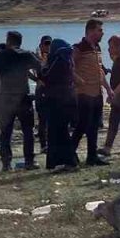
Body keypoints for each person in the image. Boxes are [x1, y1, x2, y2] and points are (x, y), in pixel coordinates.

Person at [0, 31, 42, 171]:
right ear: (20, 42)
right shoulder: (26, 55)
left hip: (6, 98)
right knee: (27, 131)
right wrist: (40, 84)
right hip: (23, 96)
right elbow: (41, 68)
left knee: (5, 132)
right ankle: (29, 161)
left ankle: (6, 163)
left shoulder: (0, 55)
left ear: (9, 41)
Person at [72, 19, 110, 167]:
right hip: (84, 93)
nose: (102, 33)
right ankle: (69, 152)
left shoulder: (97, 48)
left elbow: (100, 71)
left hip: (97, 93)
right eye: (99, 30)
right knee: (82, 125)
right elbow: (70, 67)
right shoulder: (79, 47)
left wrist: (108, 89)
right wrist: (78, 79)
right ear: (90, 31)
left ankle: (92, 157)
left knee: (94, 126)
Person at [40, 38, 78, 171]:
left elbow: (45, 75)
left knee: (57, 132)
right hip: (67, 98)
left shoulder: (57, 60)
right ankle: (67, 160)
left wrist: (43, 64)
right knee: (61, 131)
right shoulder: (67, 60)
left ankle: (68, 161)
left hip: (56, 100)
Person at [33, 37, 51, 151]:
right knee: (42, 119)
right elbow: (26, 70)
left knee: (51, 119)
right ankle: (43, 145)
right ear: (41, 45)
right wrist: (36, 80)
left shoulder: (53, 58)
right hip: (41, 91)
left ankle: (50, 143)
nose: (47, 46)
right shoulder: (36, 59)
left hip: (51, 91)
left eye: (49, 44)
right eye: (45, 44)